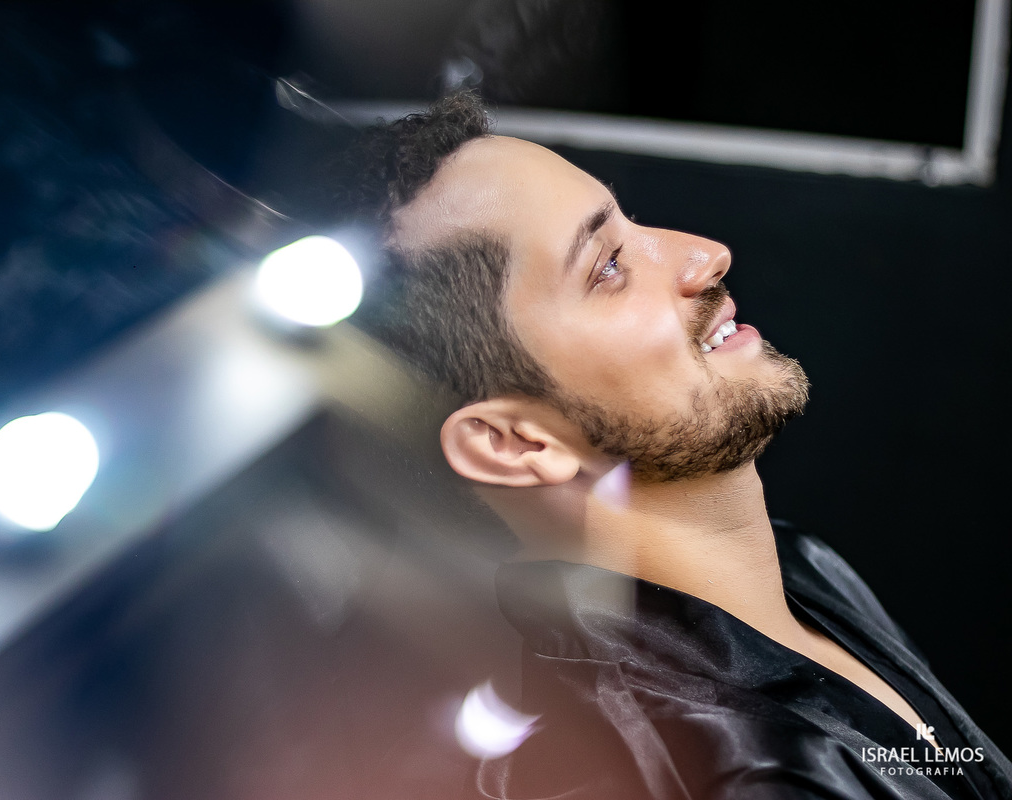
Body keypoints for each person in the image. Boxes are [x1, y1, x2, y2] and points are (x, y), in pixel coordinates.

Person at [344, 92, 1012, 799]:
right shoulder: (733, 778)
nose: (706, 255)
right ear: (513, 442)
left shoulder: (802, 570)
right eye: (606, 267)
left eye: (632, 224)